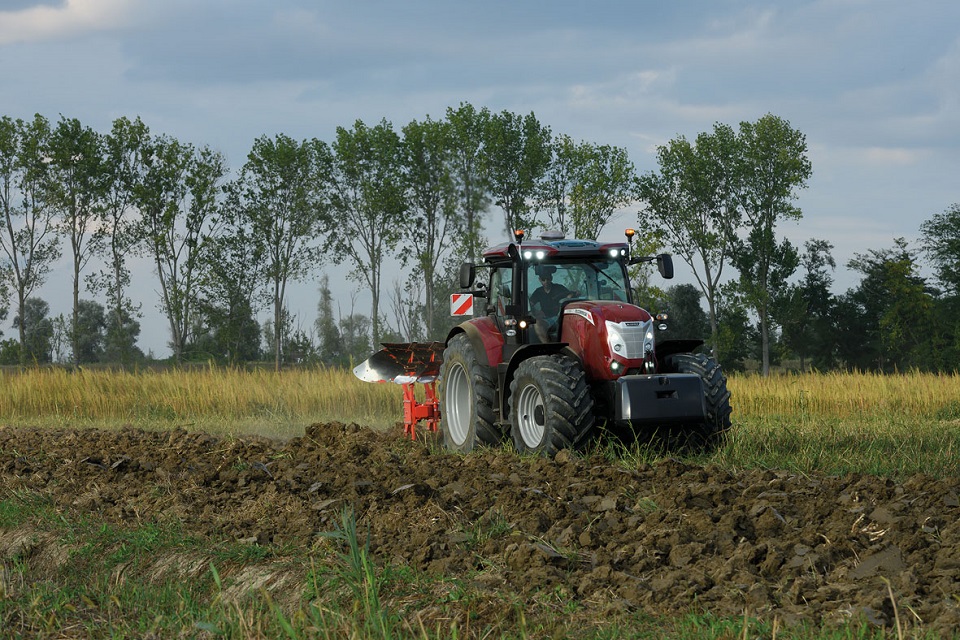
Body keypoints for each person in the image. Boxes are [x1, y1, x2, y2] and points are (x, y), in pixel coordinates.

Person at [529, 266, 576, 341]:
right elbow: (530, 303)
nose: (546, 281)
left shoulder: (559, 288)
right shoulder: (538, 292)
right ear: (540, 280)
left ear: (551, 278)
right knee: (536, 324)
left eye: (548, 279)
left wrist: (570, 296)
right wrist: (534, 312)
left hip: (560, 318)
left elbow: (571, 295)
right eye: (543, 279)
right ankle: (547, 347)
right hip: (546, 319)